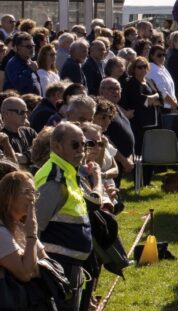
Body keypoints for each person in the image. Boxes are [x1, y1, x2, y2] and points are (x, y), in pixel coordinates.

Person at [35, 122, 107, 311]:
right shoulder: (54, 180)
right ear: (57, 146)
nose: (82, 150)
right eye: (75, 145)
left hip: (71, 264)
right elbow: (33, 227)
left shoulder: (68, 172)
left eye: (84, 145)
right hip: (58, 266)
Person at [0, 169, 46, 289]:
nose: (32, 198)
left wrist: (29, 262)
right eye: (26, 192)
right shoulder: (1, 232)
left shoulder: (22, 226)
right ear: (8, 196)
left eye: (34, 192)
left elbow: (46, 262)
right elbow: (26, 274)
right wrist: (31, 236)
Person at [120, 57, 161, 168]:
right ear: (133, 69)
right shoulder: (131, 83)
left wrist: (153, 98)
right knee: (140, 151)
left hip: (153, 121)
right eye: (139, 67)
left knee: (151, 150)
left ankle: (147, 180)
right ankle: (139, 179)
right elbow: (141, 100)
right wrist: (154, 97)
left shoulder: (149, 81)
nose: (143, 69)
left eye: (145, 66)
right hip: (139, 123)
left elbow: (160, 99)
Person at [99, 78, 135, 187]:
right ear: (101, 91)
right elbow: (104, 138)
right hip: (110, 162)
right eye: (111, 89)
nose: (115, 91)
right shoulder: (101, 111)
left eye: (118, 89)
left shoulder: (117, 108)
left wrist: (129, 157)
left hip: (123, 162)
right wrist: (123, 160)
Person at [1, 97, 36, 168]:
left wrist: (25, 157)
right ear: (7, 113)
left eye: (26, 112)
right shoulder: (2, 138)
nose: (25, 116)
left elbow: (41, 150)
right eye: (21, 112)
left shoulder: (30, 132)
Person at [146, 45, 178, 112]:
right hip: (162, 108)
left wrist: (174, 101)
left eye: (164, 54)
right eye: (159, 55)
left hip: (170, 106)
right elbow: (162, 90)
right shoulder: (152, 69)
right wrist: (173, 103)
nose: (162, 57)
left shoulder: (161, 67)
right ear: (151, 56)